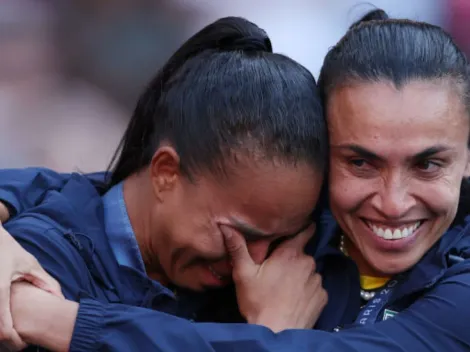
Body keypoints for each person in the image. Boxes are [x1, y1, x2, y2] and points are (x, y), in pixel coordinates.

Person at [2, 8, 470, 352]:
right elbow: (96, 190)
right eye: (361, 162)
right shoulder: (40, 262)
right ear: (328, 154)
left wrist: (68, 324)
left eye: (428, 164)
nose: (391, 202)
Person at [0, 15, 333, 351]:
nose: (253, 267)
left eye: (280, 241)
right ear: (166, 172)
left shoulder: (290, 284)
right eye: (240, 234)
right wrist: (269, 337)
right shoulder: (37, 264)